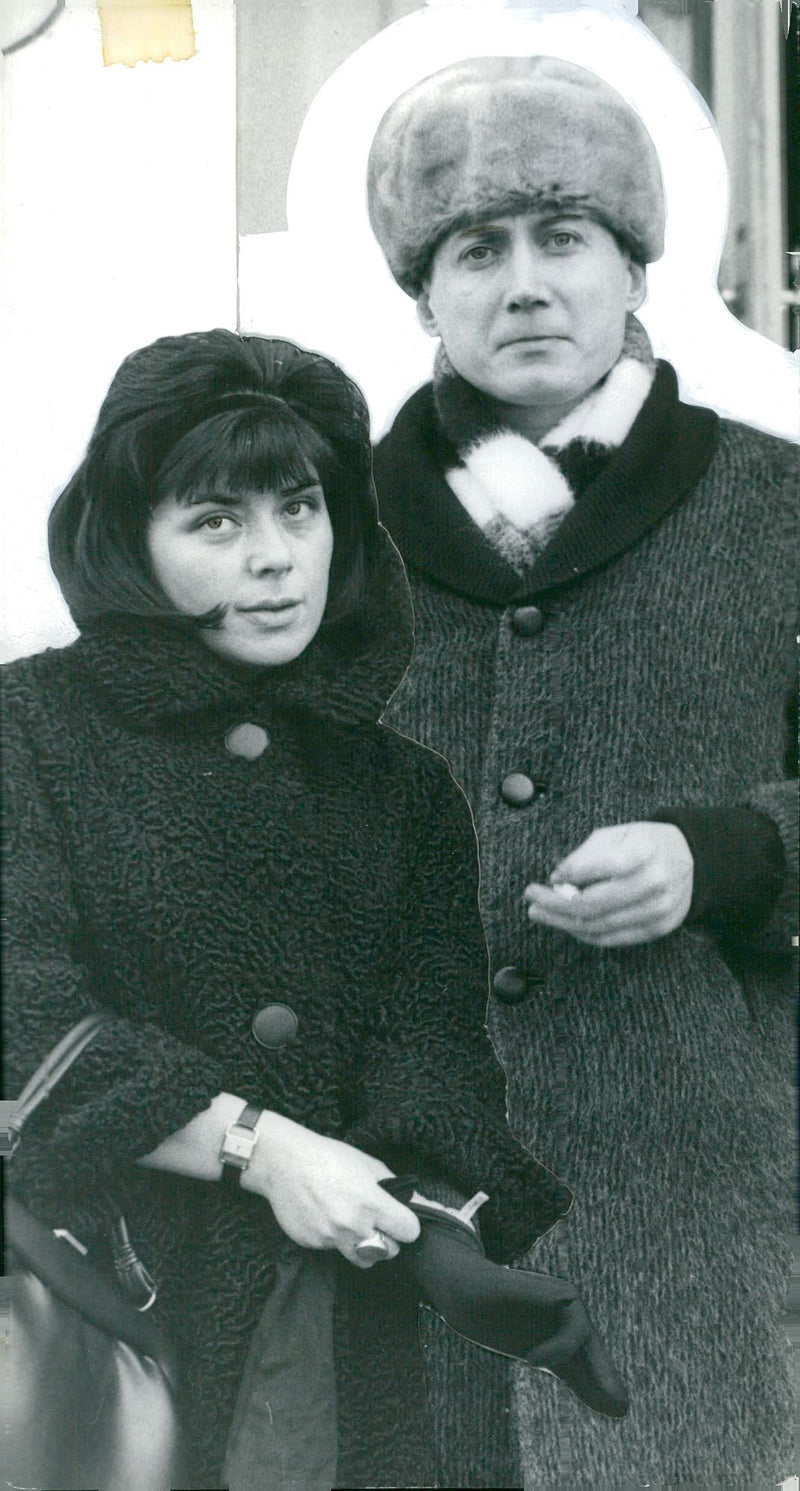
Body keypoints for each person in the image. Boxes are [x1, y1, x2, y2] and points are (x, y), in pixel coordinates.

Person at [2, 329, 634, 1491]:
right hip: (113, 1311)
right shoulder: (29, 734)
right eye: (215, 522)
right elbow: (22, 1014)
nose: (273, 560)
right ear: (129, 545)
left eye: (299, 509)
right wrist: (262, 1149)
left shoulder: (397, 788)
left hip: (362, 1343)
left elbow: (432, 1052)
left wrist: (441, 1229)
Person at [367, 56, 798, 1489]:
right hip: (403, 1211)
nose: (525, 282)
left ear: (635, 270)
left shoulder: (776, 507)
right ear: (423, 292)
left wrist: (725, 852)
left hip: (700, 1195)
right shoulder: (324, 538)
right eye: (476, 248)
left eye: (566, 237)